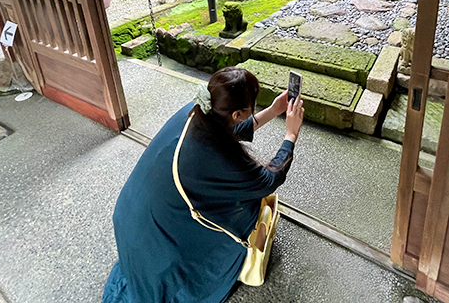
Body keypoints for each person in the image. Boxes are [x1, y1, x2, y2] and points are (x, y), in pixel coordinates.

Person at [102, 66, 305, 303]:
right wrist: (291, 135)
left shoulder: (197, 110)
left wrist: (273, 110)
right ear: (238, 113)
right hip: (156, 241)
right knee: (245, 205)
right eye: (253, 106)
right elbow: (267, 181)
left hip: (129, 214)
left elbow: (229, 128)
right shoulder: (214, 151)